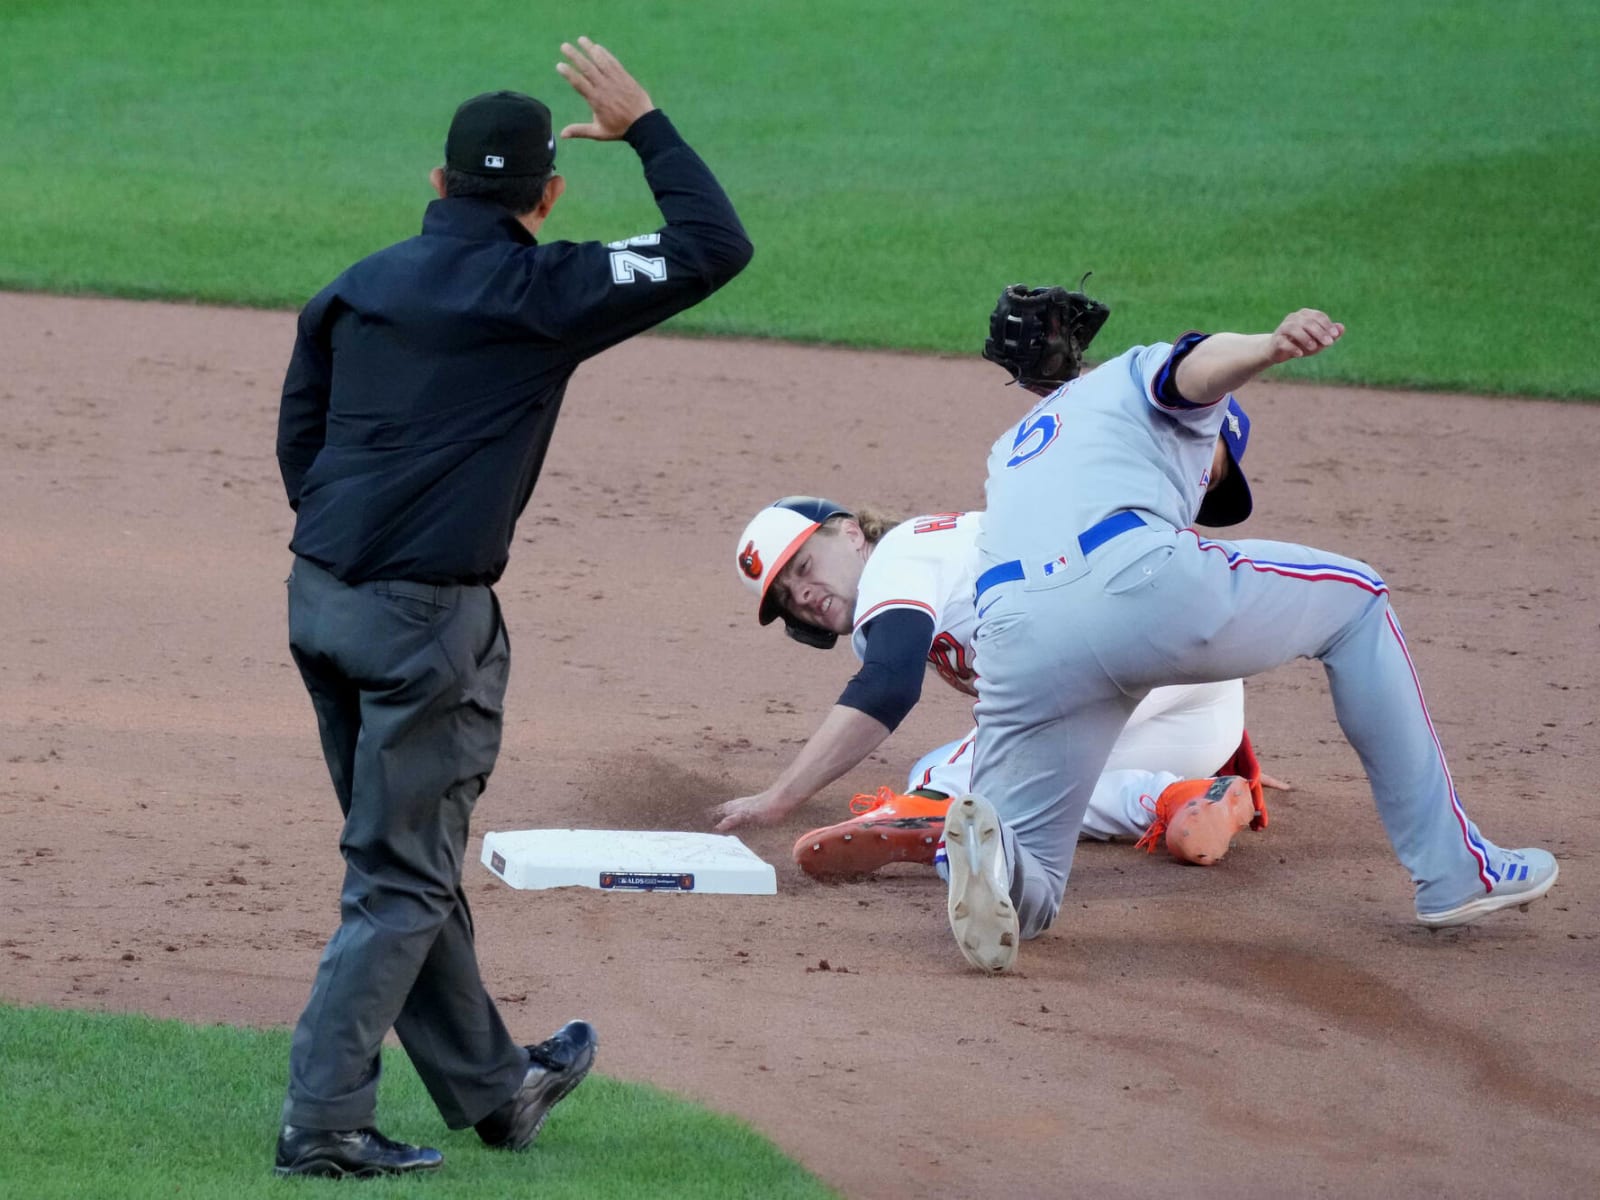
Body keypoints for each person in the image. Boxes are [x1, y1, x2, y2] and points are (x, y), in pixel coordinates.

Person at [272, 38, 752, 1177]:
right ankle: (323, 1121)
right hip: (421, 624)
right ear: (547, 194)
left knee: (410, 860)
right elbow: (711, 246)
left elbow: (301, 439)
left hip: (321, 598)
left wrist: (357, 553)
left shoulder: (358, 284)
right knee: (399, 879)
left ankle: (498, 1087)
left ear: (437, 184)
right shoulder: (547, 287)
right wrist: (647, 125)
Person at [944, 300, 1557, 974]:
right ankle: (1453, 870)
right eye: (1219, 471)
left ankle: (998, 867)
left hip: (1011, 631)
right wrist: (1267, 347)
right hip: (1131, 581)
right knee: (1358, 599)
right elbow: (1196, 368)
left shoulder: (1015, 447)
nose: (1207, 484)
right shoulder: (1152, 385)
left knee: (1029, 886)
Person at [714, 498, 1270, 875]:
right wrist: (1230, 748)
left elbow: (888, 688)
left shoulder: (899, 554)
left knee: (939, 774)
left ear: (853, 533)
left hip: (1142, 657)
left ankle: (930, 808)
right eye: (787, 594)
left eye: (805, 566)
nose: (804, 594)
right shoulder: (892, 608)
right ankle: (1176, 798)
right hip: (1194, 710)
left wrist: (780, 798)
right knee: (1040, 781)